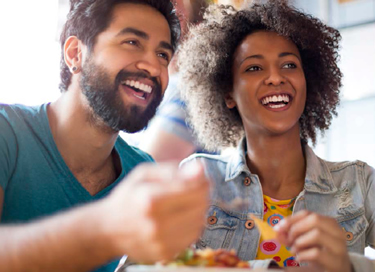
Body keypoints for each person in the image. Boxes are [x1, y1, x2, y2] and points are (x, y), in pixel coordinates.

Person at [0, 1, 210, 272]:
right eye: (132, 42)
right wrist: (106, 228)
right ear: (75, 53)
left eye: (163, 55)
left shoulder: (142, 169)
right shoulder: (7, 133)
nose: (154, 67)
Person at [178, 1, 375, 272]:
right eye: (254, 68)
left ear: (309, 80)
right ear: (228, 93)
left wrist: (351, 266)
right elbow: (138, 267)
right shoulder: (197, 179)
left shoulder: (360, 184)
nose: (275, 77)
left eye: (289, 65)